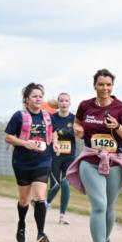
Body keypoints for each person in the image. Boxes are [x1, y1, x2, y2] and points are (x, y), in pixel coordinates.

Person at [66, 69, 122, 242]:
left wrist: (116, 127)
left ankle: (105, 241)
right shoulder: (85, 106)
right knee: (99, 204)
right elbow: (77, 124)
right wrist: (77, 130)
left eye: (108, 85)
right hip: (90, 159)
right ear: (94, 85)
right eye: (101, 84)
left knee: (109, 207)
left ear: (112, 86)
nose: (105, 88)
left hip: (115, 161)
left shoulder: (121, 108)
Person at [4, 83, 54, 242]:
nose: (38, 99)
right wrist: (25, 143)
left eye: (40, 96)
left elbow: (52, 133)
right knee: (24, 199)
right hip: (22, 161)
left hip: (43, 160)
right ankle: (21, 223)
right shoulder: (19, 116)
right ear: (27, 99)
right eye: (34, 96)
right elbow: (8, 137)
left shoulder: (47, 116)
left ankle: (41, 233)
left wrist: (56, 143)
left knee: (40, 196)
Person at [47, 92, 76, 225]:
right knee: (55, 185)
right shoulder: (52, 118)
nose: (64, 103)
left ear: (70, 103)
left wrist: (64, 132)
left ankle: (62, 215)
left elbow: (77, 133)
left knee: (65, 184)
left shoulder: (75, 119)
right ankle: (45, 204)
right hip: (55, 156)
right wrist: (56, 140)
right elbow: (51, 133)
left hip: (69, 157)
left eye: (66, 101)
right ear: (58, 103)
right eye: (61, 101)